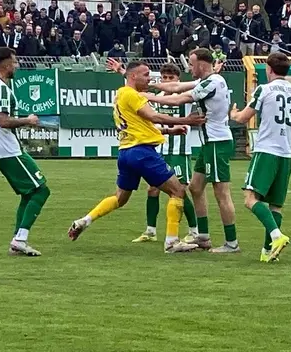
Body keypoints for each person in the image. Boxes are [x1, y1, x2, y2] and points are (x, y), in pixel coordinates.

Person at [67, 60, 205, 254]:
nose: (150, 78)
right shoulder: (132, 95)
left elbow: (140, 124)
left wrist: (169, 130)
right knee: (178, 191)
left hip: (125, 152)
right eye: (146, 74)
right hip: (142, 153)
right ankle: (172, 242)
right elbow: (154, 117)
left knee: (120, 198)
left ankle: (84, 220)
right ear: (133, 76)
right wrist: (186, 120)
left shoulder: (121, 94)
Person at [147, 48, 240, 253]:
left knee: (221, 193)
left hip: (217, 142)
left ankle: (231, 243)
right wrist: (151, 86)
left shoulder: (211, 83)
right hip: (209, 143)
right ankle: (203, 237)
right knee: (196, 187)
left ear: (202, 64)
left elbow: (179, 98)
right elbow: (176, 86)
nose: (189, 68)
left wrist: (148, 98)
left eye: (191, 63)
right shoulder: (210, 80)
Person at [230, 52, 291, 262]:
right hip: (287, 154)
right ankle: (268, 252)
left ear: (268, 69)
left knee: (250, 199)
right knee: (275, 205)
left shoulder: (264, 90)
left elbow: (242, 118)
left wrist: (233, 114)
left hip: (266, 150)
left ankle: (276, 236)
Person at [0, 47, 51, 257]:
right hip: (8, 149)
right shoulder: (1, 88)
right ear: (5, 64)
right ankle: (20, 239)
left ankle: (18, 240)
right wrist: (28, 120)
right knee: (41, 191)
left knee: (29, 192)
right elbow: (2, 121)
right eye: (14, 62)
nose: (16, 65)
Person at [125, 63, 201, 244]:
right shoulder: (157, 98)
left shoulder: (184, 97)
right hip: (160, 149)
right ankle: (150, 231)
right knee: (152, 189)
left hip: (179, 151)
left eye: (171, 78)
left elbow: (199, 87)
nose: (167, 81)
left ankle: (195, 231)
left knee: (180, 190)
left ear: (177, 80)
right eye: (164, 78)